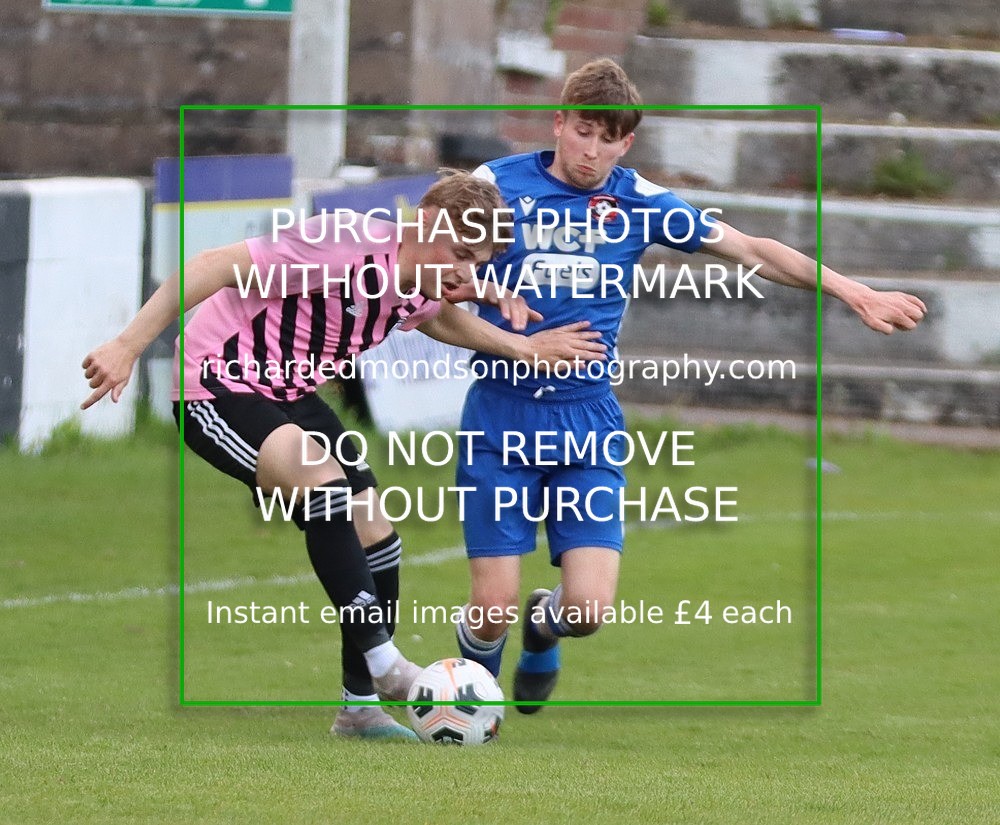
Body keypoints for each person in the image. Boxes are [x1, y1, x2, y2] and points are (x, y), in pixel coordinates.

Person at [450, 58, 928, 712]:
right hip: (499, 420)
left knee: (588, 608)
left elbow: (753, 249)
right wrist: (487, 288)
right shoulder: (493, 184)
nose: (591, 150)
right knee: (489, 605)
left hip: (586, 424)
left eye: (607, 138)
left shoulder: (639, 203)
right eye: (582, 131)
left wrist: (853, 290)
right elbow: (428, 268)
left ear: (627, 143)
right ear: (559, 123)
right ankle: (472, 703)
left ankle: (545, 623)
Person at [81, 171, 606, 739]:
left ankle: (359, 709)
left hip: (287, 394)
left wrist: (517, 339)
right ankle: (384, 664)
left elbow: (439, 316)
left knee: (378, 537)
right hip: (216, 382)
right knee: (326, 490)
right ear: (424, 224)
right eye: (461, 253)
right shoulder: (343, 244)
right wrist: (126, 344)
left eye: (477, 261)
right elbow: (213, 264)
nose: (465, 272)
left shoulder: (421, 278)